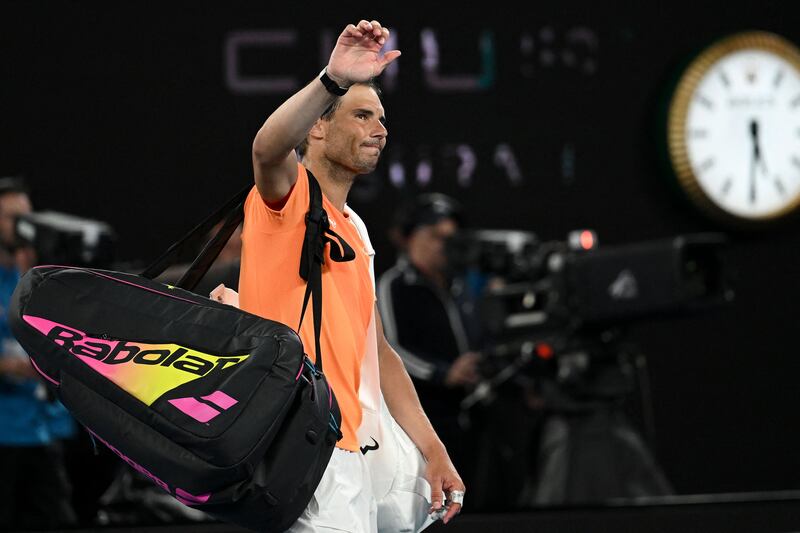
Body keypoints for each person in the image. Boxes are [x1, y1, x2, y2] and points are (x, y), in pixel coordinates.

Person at [236, 19, 464, 532]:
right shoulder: (286, 200)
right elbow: (266, 150)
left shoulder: (356, 227)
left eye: (381, 118)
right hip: (298, 449)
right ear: (318, 125)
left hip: (353, 449)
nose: (380, 130)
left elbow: (377, 351)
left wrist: (433, 448)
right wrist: (331, 80)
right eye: (362, 116)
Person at [377, 193, 484, 490]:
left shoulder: (461, 284)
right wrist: (443, 373)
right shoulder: (394, 285)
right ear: (409, 237)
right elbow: (390, 348)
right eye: (435, 235)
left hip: (468, 413)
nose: (444, 244)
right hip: (422, 415)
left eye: (450, 237)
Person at [0, 177, 78, 529]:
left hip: (41, 431)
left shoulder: (41, 279)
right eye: (13, 218)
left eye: (27, 217)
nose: (24, 227)